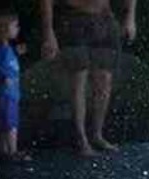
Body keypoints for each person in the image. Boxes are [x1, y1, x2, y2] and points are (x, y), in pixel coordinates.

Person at [39, 0, 137, 157]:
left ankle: (97, 134)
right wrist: (48, 32)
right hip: (73, 18)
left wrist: (130, 17)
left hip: (104, 17)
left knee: (104, 79)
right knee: (79, 79)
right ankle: (81, 138)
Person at [0, 11, 29, 161]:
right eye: (15, 26)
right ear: (4, 29)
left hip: (11, 92)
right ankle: (13, 151)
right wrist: (3, 77)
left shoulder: (6, 48)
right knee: (10, 122)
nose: (17, 29)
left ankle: (5, 149)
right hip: (6, 92)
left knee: (7, 121)